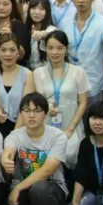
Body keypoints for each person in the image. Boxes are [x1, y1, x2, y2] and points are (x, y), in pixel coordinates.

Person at [0, 92, 68, 205]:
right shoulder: (16, 135)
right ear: (21, 113)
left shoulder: (57, 137)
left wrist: (17, 188)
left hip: (50, 187)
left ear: (46, 113)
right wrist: (5, 160)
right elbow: (8, 151)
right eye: (27, 111)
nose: (31, 115)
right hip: (24, 189)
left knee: (39, 188)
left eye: (37, 111)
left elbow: (47, 170)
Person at [32, 30, 89, 168]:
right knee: (45, 159)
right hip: (47, 123)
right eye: (50, 48)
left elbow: (83, 103)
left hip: (71, 123)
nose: (54, 52)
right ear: (45, 49)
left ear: (66, 49)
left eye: (59, 48)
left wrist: (70, 128)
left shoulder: (78, 72)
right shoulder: (39, 73)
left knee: (71, 154)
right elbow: (39, 101)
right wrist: (47, 108)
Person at [0, 33, 34, 137]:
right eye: (3, 50)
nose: (8, 54)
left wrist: (15, 135)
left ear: (18, 52)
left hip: (20, 126)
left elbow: (25, 106)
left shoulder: (27, 74)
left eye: (12, 50)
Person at [0, 0, 31, 67]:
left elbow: (22, 55)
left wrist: (11, 37)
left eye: (5, 4)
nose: (1, 7)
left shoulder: (19, 26)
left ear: (13, 5)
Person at [25, 0, 58, 70]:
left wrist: (41, 34)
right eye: (33, 8)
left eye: (41, 9)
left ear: (47, 11)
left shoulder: (51, 29)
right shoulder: (27, 29)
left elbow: (48, 34)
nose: (36, 12)